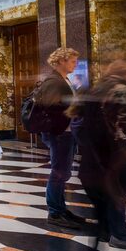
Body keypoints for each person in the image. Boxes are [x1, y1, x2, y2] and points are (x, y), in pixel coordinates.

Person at [74, 59, 126, 251]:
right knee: (117, 193)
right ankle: (120, 235)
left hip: (96, 149)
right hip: (117, 151)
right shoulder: (123, 90)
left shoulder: (98, 88)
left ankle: (107, 230)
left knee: (105, 191)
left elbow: (79, 116)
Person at [32, 47, 85, 230]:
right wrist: (70, 112)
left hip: (65, 132)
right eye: (72, 61)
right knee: (58, 172)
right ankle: (54, 212)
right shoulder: (54, 81)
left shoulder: (62, 79)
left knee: (63, 172)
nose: (75, 64)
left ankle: (61, 209)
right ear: (61, 61)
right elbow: (49, 108)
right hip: (59, 133)